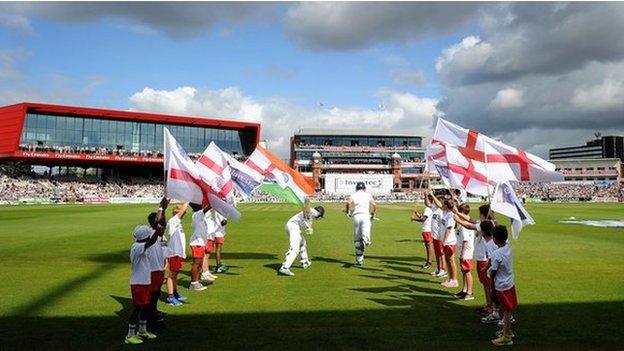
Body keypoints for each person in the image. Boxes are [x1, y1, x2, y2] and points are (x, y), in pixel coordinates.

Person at [125, 197, 169, 345]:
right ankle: (130, 334)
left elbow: (156, 233)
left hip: (144, 280)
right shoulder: (138, 247)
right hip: (139, 282)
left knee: (145, 306)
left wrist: (162, 209)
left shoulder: (141, 245)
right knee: (138, 308)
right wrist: (161, 210)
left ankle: (143, 330)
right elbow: (154, 237)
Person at [454, 204, 496, 315]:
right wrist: (457, 213)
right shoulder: (485, 223)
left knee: (487, 284)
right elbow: (471, 220)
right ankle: (489, 305)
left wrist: (457, 219)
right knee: (485, 284)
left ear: (483, 214)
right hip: (482, 257)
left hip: (484, 258)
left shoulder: (487, 224)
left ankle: (490, 306)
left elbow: (469, 225)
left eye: (480, 214)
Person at [278, 198, 325, 276]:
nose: (319, 218)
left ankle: (305, 261)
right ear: (320, 213)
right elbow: (306, 208)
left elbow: (308, 222)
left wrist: (309, 228)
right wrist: (307, 200)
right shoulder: (314, 212)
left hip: (292, 227)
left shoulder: (311, 218)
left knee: (303, 242)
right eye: (320, 216)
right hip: (293, 226)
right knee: (295, 247)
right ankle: (285, 267)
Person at [488, 225, 518, 346]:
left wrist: (491, 287)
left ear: (494, 239)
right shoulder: (509, 247)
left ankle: (506, 337)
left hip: (501, 285)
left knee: (505, 310)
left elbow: (493, 271)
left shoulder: (496, 254)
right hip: (509, 282)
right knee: (507, 309)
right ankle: (507, 331)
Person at [146, 209, 168, 329]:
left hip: (160, 268)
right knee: (152, 294)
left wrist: (165, 264)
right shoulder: (148, 234)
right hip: (151, 270)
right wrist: (162, 208)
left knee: (157, 293)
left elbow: (164, 251)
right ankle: (151, 319)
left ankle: (154, 311)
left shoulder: (162, 237)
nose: (163, 227)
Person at [345, 182, 377, 266]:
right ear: (364, 188)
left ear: (356, 188)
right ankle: (366, 240)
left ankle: (359, 260)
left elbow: (348, 203)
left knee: (357, 239)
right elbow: (374, 205)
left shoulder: (353, 195)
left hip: (356, 216)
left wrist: (348, 211)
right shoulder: (368, 195)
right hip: (365, 216)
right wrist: (373, 213)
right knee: (366, 230)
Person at [165, 202, 189, 306]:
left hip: (178, 253)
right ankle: (170, 296)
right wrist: (188, 200)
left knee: (175, 275)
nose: (184, 214)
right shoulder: (173, 220)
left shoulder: (177, 222)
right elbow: (182, 210)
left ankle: (174, 292)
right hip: (174, 253)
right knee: (172, 275)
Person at [410, 194, 439, 269]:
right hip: (427, 229)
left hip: (427, 230)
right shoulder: (429, 208)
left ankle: (429, 262)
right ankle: (429, 261)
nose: (424, 200)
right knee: (428, 246)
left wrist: (414, 219)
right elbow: (423, 218)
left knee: (429, 246)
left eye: (425, 199)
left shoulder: (428, 209)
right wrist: (417, 214)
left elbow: (423, 219)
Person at [188, 203, 212, 291]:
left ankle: (196, 281)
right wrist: (214, 201)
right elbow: (208, 207)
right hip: (197, 242)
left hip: (200, 242)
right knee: (197, 264)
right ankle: (194, 283)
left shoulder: (197, 214)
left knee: (199, 264)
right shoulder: (198, 214)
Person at [455, 204, 475, 300]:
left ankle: (470, 292)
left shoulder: (465, 225)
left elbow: (466, 240)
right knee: (463, 271)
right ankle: (464, 289)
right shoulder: (461, 223)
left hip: (466, 252)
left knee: (467, 271)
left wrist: (463, 254)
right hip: (461, 251)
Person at [439, 199, 458, 288]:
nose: (442, 205)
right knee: (447, 260)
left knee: (451, 260)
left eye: (443, 204)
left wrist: (444, 240)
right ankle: (450, 278)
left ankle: (454, 280)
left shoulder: (451, 216)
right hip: (446, 241)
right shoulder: (446, 214)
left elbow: (449, 228)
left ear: (446, 206)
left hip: (449, 241)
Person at [210, 209, 229, 273]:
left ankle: (219, 264)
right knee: (218, 249)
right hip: (218, 232)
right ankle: (218, 266)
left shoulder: (217, 210)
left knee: (218, 249)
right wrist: (226, 219)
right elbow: (223, 222)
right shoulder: (220, 211)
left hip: (218, 231)